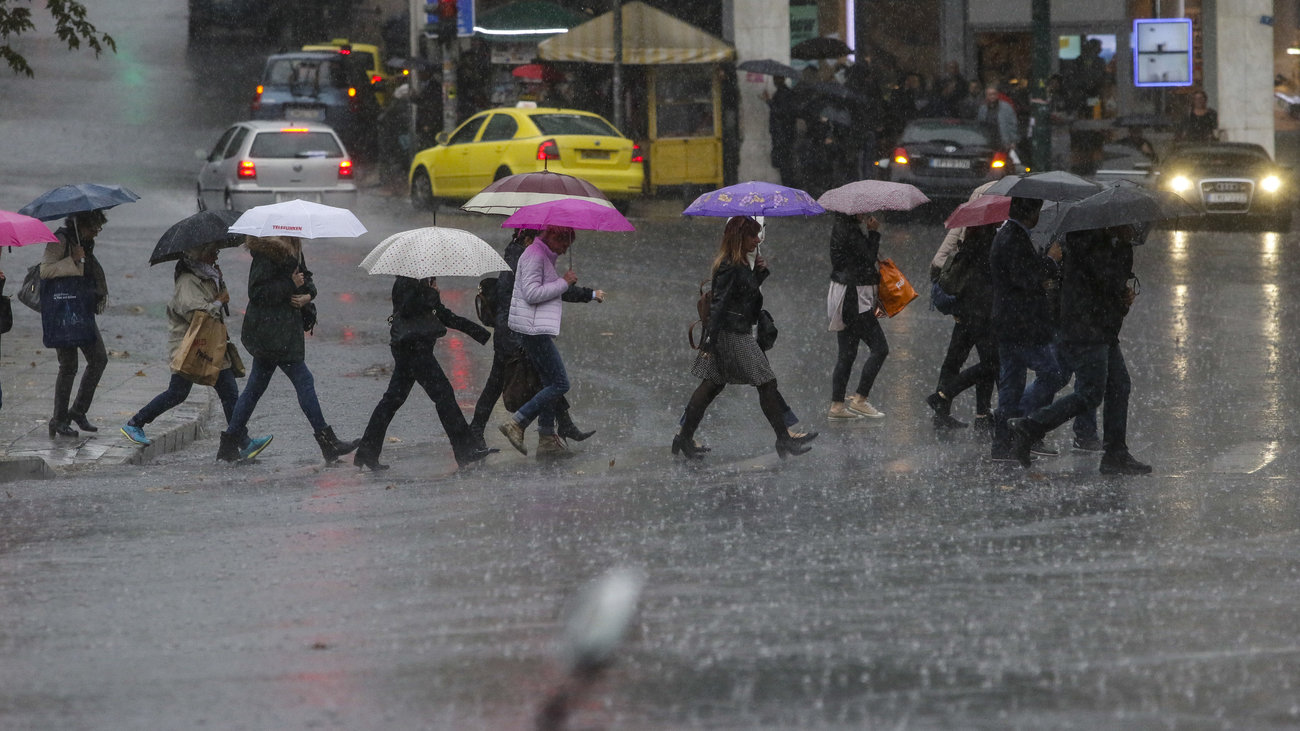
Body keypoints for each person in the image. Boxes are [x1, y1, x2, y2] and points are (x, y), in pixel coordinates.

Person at [1007, 225, 1151, 475]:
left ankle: (1115, 453)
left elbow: (1108, 289)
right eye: (1128, 224)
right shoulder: (1092, 244)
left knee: (1119, 385)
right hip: (1087, 330)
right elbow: (1104, 284)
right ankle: (1030, 426)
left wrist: (1122, 294)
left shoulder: (1101, 243)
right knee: (1090, 393)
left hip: (1099, 329)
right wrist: (1121, 277)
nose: (1134, 228)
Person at [672, 216, 815, 459]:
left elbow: (745, 297)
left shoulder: (738, 264)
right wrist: (710, 340)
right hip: (732, 334)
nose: (757, 239)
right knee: (766, 382)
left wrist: (759, 273)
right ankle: (783, 438)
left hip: (733, 330)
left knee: (711, 386)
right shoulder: (729, 265)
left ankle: (684, 438)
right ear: (739, 238)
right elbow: (719, 304)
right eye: (752, 235)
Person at [216, 235, 359, 464]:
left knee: (254, 389)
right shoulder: (266, 254)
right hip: (272, 333)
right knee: (303, 381)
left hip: (283, 332)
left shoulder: (293, 250)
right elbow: (258, 293)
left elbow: (305, 278)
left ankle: (229, 444)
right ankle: (328, 443)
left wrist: (307, 295)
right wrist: (290, 285)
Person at [121, 244, 273, 458]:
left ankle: (243, 440)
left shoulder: (206, 276)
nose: (216, 255)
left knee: (229, 393)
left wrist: (219, 286)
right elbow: (196, 313)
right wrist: (219, 301)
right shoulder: (187, 281)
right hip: (190, 346)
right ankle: (135, 423)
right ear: (198, 254)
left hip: (209, 345)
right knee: (178, 393)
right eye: (212, 251)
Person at [469, 229, 598, 449]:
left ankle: (551, 431)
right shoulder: (524, 257)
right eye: (536, 237)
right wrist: (582, 291)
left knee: (545, 379)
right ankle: (492, 429)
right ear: (527, 239)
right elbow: (533, 294)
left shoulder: (520, 254)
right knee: (530, 381)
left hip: (513, 330)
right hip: (514, 333)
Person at [354, 276, 496, 470]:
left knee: (392, 400)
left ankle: (367, 452)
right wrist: (431, 293)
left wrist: (480, 333)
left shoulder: (422, 283)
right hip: (412, 348)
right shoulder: (406, 281)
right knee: (443, 395)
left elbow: (441, 314)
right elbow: (407, 308)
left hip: (414, 348)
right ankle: (466, 450)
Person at [988, 197, 1067, 462]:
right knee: (1052, 373)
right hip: (1022, 324)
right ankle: (1017, 422)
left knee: (1011, 383)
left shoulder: (1007, 235)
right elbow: (1025, 276)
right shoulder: (1013, 238)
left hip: (1009, 322)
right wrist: (1051, 261)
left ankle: (1003, 442)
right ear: (1031, 213)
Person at [925, 205, 999, 431]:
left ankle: (945, 409)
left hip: (966, 311)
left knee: (955, 360)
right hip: (982, 313)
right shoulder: (991, 243)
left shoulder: (971, 240)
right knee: (992, 364)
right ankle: (952, 399)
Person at [41, 209, 109, 438]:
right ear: (80, 225)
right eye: (93, 229)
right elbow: (46, 270)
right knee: (68, 365)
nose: (96, 234)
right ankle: (58, 420)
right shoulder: (60, 239)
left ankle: (78, 411)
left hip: (81, 308)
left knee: (99, 358)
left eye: (99, 229)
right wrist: (72, 260)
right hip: (63, 310)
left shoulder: (84, 242)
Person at [826, 212, 889, 420]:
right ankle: (860, 400)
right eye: (862, 210)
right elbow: (868, 258)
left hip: (842, 293)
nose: (866, 213)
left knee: (847, 353)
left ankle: (837, 405)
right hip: (854, 296)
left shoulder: (839, 227)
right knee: (880, 348)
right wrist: (873, 234)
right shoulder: (851, 231)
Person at [762, 76, 798, 185]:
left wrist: (769, 101)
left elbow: (781, 112)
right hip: (784, 134)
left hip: (782, 134)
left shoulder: (783, 94)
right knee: (785, 164)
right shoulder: (785, 93)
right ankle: (788, 184)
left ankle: (788, 185)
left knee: (784, 165)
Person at [977, 85, 1019, 151]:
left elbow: (1013, 125)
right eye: (990, 94)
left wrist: (1013, 141)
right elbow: (980, 125)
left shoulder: (1006, 107)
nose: (992, 96)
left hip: (1003, 142)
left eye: (994, 94)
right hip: (987, 142)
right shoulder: (983, 109)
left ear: (998, 95)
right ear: (986, 96)